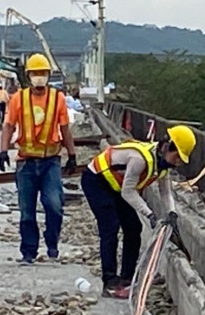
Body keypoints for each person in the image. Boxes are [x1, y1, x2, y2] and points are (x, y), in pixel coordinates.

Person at [81, 125, 196, 298]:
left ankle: (127, 278)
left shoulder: (162, 165)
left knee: (134, 228)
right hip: (97, 181)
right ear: (167, 146)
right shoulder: (139, 160)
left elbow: (165, 191)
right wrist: (149, 214)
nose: (177, 162)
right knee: (110, 227)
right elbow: (128, 192)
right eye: (177, 157)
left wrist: (172, 212)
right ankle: (110, 282)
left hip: (117, 186)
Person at [0, 53, 77, 264]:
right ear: (28, 76)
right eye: (35, 73)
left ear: (49, 76)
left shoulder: (57, 98)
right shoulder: (18, 99)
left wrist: (72, 154)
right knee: (26, 212)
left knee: (54, 205)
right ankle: (29, 252)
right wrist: (3, 150)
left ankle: (52, 242)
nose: (39, 77)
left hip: (50, 161)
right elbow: (8, 126)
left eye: (43, 73)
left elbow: (64, 129)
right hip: (26, 162)